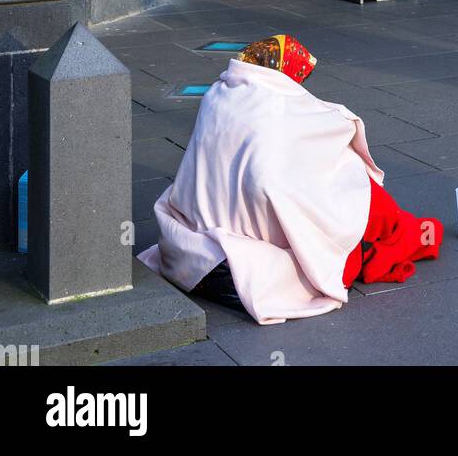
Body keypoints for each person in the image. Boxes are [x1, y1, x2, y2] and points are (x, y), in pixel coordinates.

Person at [138, 35, 442, 323]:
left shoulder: (220, 94)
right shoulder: (277, 109)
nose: (300, 85)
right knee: (352, 180)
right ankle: (408, 232)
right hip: (250, 233)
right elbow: (291, 163)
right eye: (299, 78)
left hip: (199, 227)